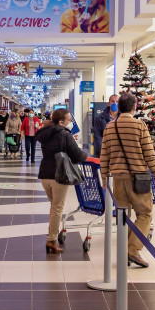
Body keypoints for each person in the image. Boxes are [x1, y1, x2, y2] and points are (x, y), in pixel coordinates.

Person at [100, 92, 155, 268]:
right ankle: (133, 250)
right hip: (138, 178)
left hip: (117, 178)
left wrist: (104, 177)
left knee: (123, 216)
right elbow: (149, 154)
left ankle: (126, 251)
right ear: (134, 108)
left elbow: (104, 154)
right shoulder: (139, 125)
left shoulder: (110, 127)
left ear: (118, 108)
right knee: (145, 214)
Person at [36, 108, 88, 252]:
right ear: (61, 122)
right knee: (57, 208)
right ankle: (52, 240)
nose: (70, 123)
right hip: (59, 174)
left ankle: (52, 235)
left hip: (45, 174)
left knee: (54, 206)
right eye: (69, 120)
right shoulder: (65, 134)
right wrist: (87, 156)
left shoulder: (46, 133)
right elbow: (77, 155)